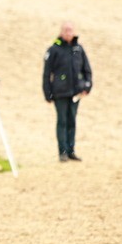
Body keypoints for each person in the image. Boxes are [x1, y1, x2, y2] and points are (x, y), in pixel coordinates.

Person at [42, 21, 92, 162]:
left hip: (75, 92)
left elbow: (87, 69)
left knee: (72, 121)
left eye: (70, 30)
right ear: (61, 32)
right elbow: (46, 73)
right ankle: (62, 152)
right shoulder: (54, 50)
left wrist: (87, 86)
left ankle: (71, 151)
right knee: (62, 121)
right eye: (66, 30)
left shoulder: (78, 49)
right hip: (60, 92)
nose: (68, 33)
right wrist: (47, 92)